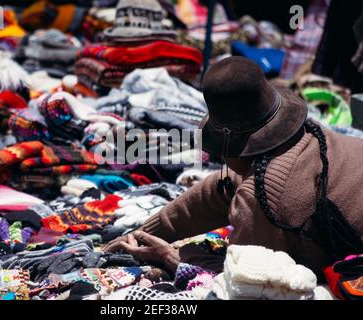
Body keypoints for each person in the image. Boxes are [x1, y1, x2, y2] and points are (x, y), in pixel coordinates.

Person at [105, 56, 363, 279]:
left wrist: (170, 257)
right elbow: (218, 189)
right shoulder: (309, 138)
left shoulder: (264, 197)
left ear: (233, 146)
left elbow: (242, 278)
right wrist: (142, 234)